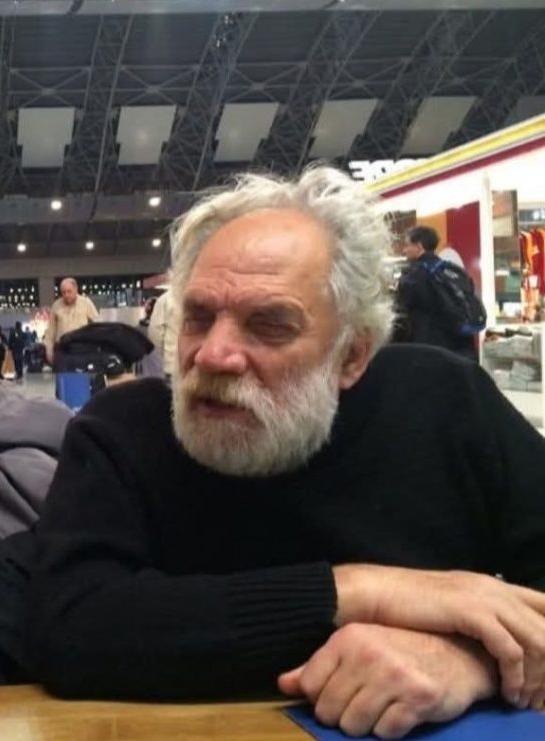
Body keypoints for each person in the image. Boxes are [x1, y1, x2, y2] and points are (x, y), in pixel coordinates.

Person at [28, 167, 545, 739]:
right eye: (199, 317)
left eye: (269, 325)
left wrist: (470, 664)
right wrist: (359, 592)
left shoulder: (446, 405)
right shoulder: (121, 432)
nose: (213, 355)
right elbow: (70, 628)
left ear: (351, 355)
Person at [393, 226, 478, 361]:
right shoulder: (453, 270)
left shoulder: (414, 275)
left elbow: (400, 314)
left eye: (408, 245)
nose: (404, 250)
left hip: (428, 350)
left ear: (419, 246)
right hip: (461, 349)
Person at [43, 277, 98, 371]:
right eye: (63, 292)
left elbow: (97, 324)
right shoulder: (56, 305)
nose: (66, 295)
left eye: (69, 291)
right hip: (62, 350)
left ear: (76, 289)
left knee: (80, 378)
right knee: (62, 378)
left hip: (81, 349)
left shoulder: (86, 303)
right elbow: (51, 330)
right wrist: (48, 350)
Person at [147, 289, 178, 378]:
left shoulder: (166, 299)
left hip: (172, 365)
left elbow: (155, 333)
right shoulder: (203, 297)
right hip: (200, 367)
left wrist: (160, 358)